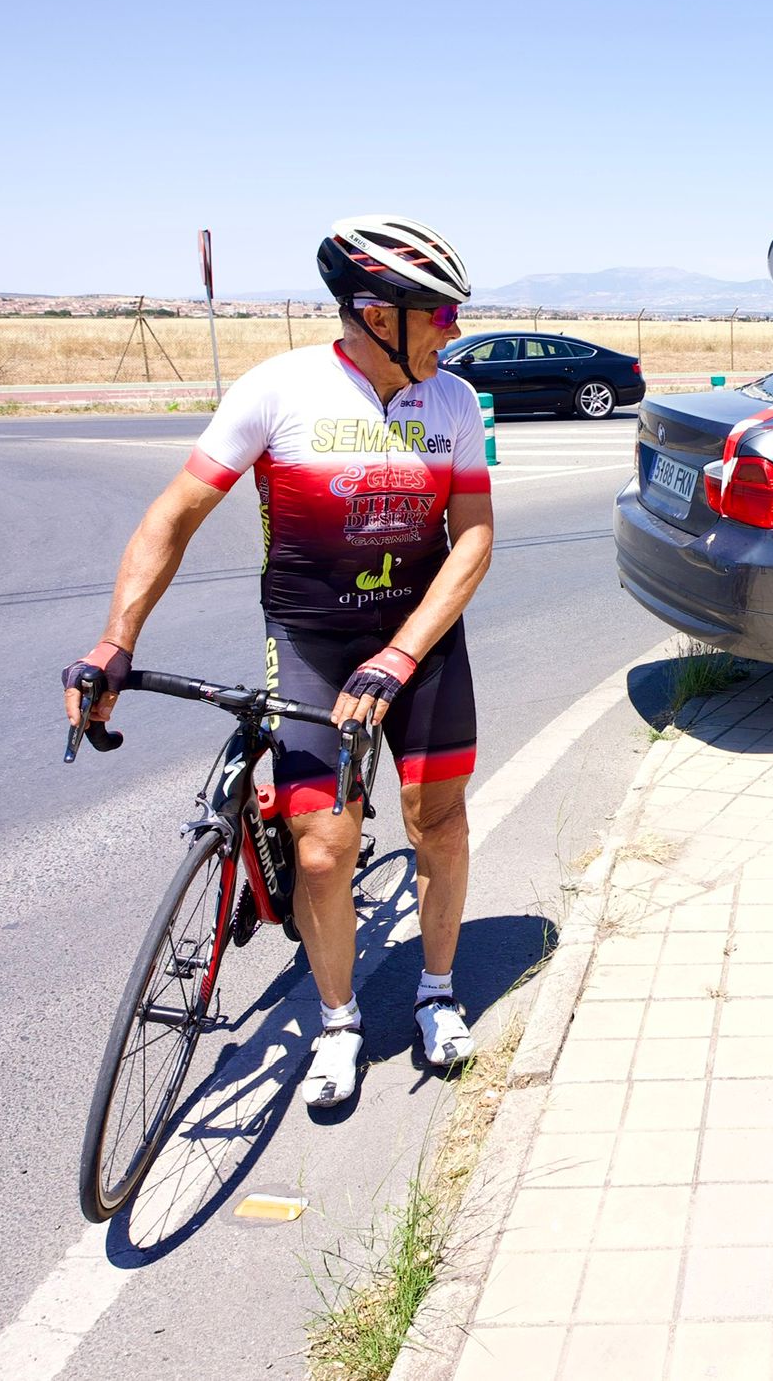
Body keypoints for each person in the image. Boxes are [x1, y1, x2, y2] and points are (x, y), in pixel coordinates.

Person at [62, 215, 494, 1108]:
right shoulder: (279, 390)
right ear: (379, 315)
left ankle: (437, 992)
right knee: (326, 854)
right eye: (440, 316)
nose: (454, 332)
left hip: (420, 643)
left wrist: (403, 653)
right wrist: (116, 639)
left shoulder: (451, 401)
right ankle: (339, 1022)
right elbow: (173, 515)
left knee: (435, 821)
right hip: (313, 641)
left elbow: (474, 541)